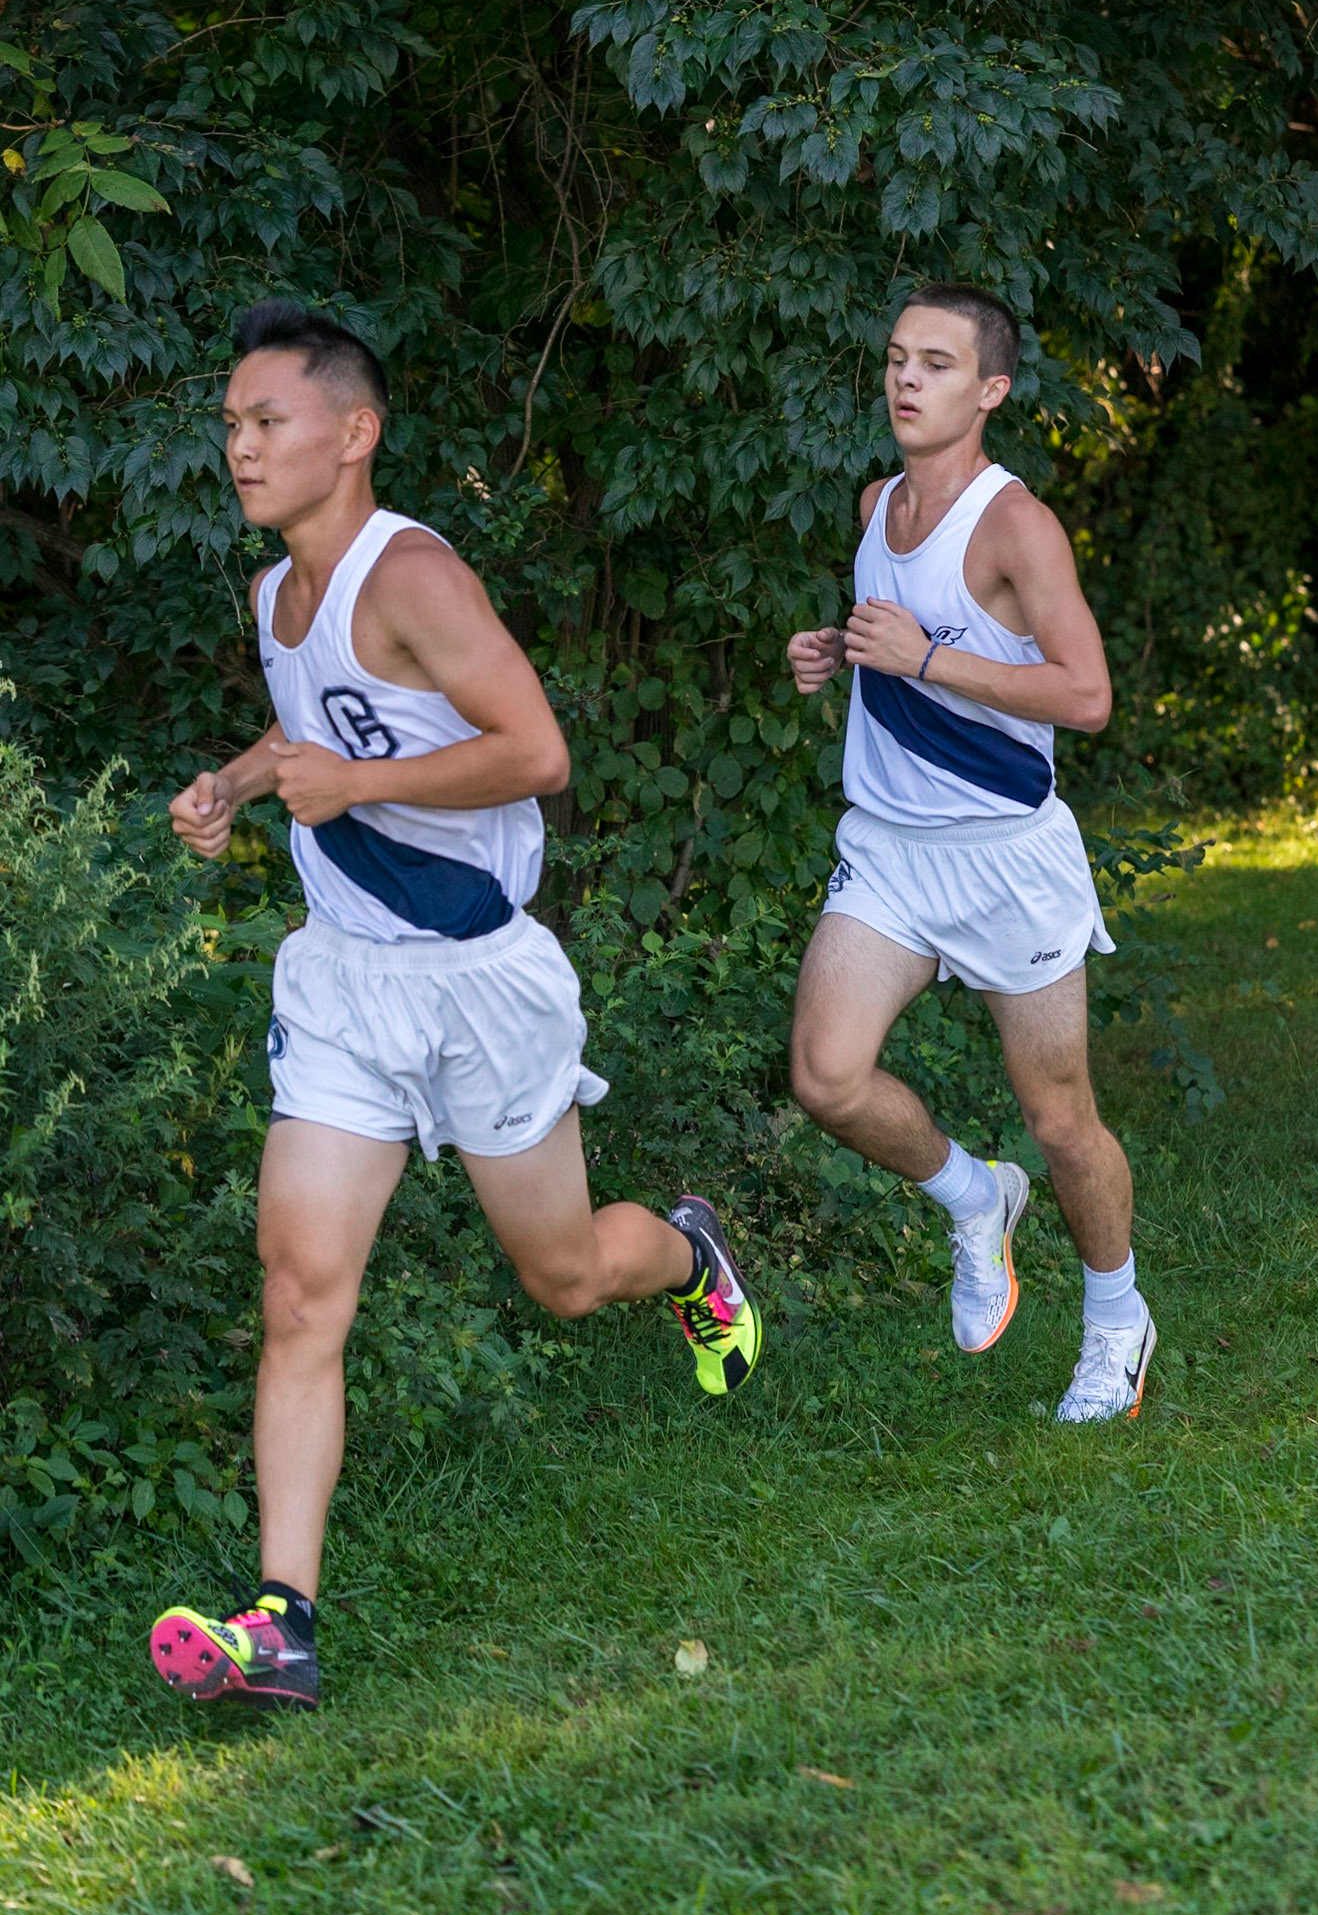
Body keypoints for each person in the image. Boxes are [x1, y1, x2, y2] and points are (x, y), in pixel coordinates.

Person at [149, 299, 761, 1711]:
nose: (240, 447)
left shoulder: (412, 572)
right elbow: (314, 725)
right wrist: (235, 784)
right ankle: (282, 1621)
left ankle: (686, 1257)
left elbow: (536, 749)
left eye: (267, 421)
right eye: (231, 424)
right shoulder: (277, 593)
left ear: (353, 433)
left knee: (565, 1275)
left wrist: (354, 786)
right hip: (344, 979)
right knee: (299, 1290)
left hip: (482, 980)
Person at [786, 282, 1154, 1426]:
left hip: (1006, 860)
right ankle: (973, 1195)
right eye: (898, 356)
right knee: (826, 1076)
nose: (906, 378)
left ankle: (1117, 1321)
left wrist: (924, 659)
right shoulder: (876, 505)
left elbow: (1085, 696)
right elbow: (903, 647)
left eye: (936, 363)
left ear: (990, 390)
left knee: (1062, 1123)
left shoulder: (1015, 525)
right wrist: (838, 652)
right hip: (890, 850)